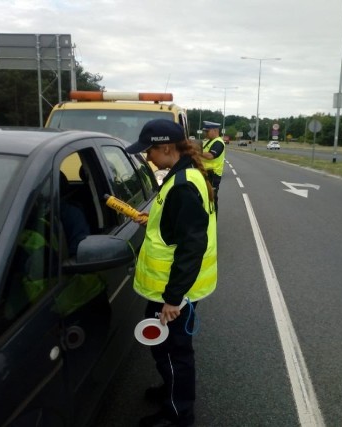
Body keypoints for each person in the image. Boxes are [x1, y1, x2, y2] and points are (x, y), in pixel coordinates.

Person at [125, 119, 217, 427]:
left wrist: (173, 299)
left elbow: (192, 247)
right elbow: (179, 225)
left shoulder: (184, 185)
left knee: (174, 352)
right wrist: (154, 218)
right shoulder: (184, 174)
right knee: (165, 349)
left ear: (166, 147)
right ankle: (171, 391)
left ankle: (178, 415)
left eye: (149, 151)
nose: (147, 157)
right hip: (174, 289)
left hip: (175, 292)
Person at [200, 120, 225, 212]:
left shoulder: (218, 142)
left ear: (215, 130)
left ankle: (213, 219)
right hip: (205, 173)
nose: (205, 133)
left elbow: (210, 155)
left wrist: (195, 152)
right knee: (204, 197)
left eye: (207, 131)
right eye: (205, 131)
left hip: (213, 175)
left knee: (212, 198)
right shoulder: (209, 141)